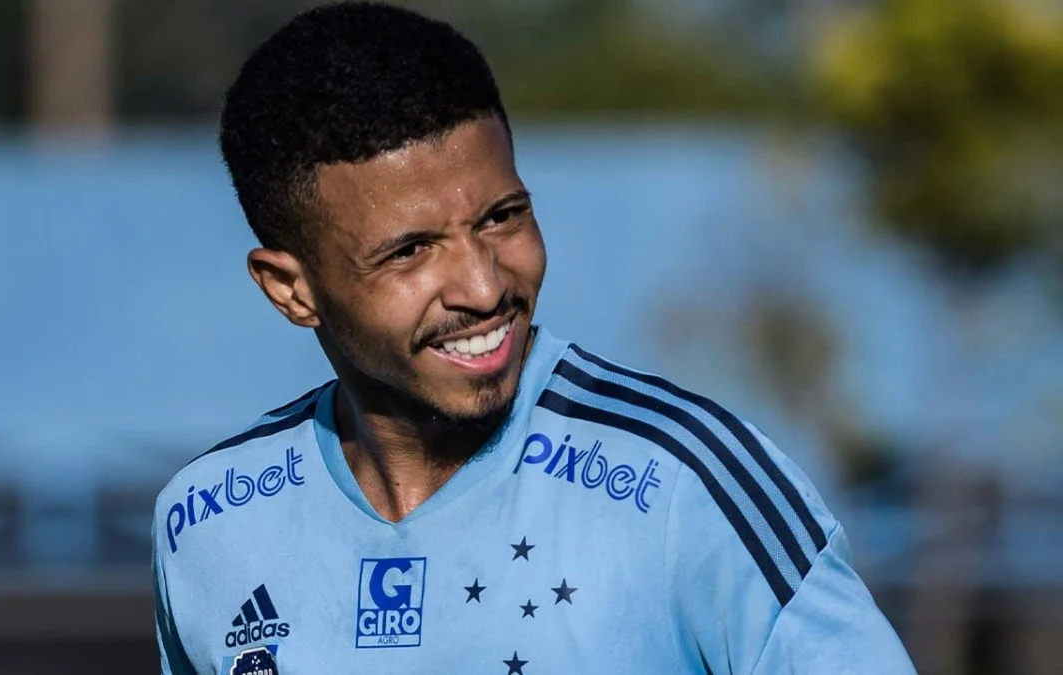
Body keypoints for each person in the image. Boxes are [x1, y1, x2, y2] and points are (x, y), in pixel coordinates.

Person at [152, 3, 916, 674]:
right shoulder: (208, 521)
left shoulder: (685, 482)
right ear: (291, 289)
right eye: (410, 251)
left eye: (501, 217)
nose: (484, 287)